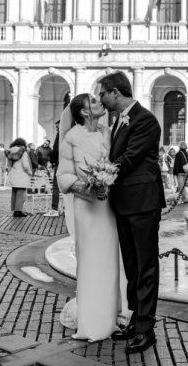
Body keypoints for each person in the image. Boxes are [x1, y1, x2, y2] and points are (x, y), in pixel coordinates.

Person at [99, 70, 163, 354]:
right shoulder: (117, 122)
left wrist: (103, 174)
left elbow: (131, 157)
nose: (101, 99)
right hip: (124, 202)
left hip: (143, 202)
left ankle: (146, 329)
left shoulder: (146, 119)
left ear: (115, 92)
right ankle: (136, 320)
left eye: (103, 93)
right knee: (132, 266)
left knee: (146, 266)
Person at [56, 92, 122, 342]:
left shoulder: (108, 131)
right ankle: (91, 321)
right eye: (93, 101)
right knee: (91, 262)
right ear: (84, 112)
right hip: (87, 208)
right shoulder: (72, 137)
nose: (100, 103)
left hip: (108, 209)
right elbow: (64, 176)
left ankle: (109, 317)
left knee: (110, 262)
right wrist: (90, 187)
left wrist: (108, 180)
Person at [7, 138, 33, 217]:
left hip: (14, 174)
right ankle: (19, 211)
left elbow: (9, 165)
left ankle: (15, 211)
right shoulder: (23, 152)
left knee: (14, 193)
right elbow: (25, 165)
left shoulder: (10, 152)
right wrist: (30, 172)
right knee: (21, 193)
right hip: (22, 175)